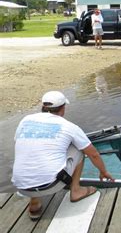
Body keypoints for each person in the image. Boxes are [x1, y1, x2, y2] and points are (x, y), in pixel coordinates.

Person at [12, 91, 115, 220]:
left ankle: (34, 203)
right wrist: (103, 171)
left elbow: (18, 143)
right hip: (52, 185)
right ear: (63, 108)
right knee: (79, 149)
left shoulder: (25, 120)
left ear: (43, 107)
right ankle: (76, 191)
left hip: (21, 187)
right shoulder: (69, 126)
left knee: (32, 152)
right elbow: (93, 154)